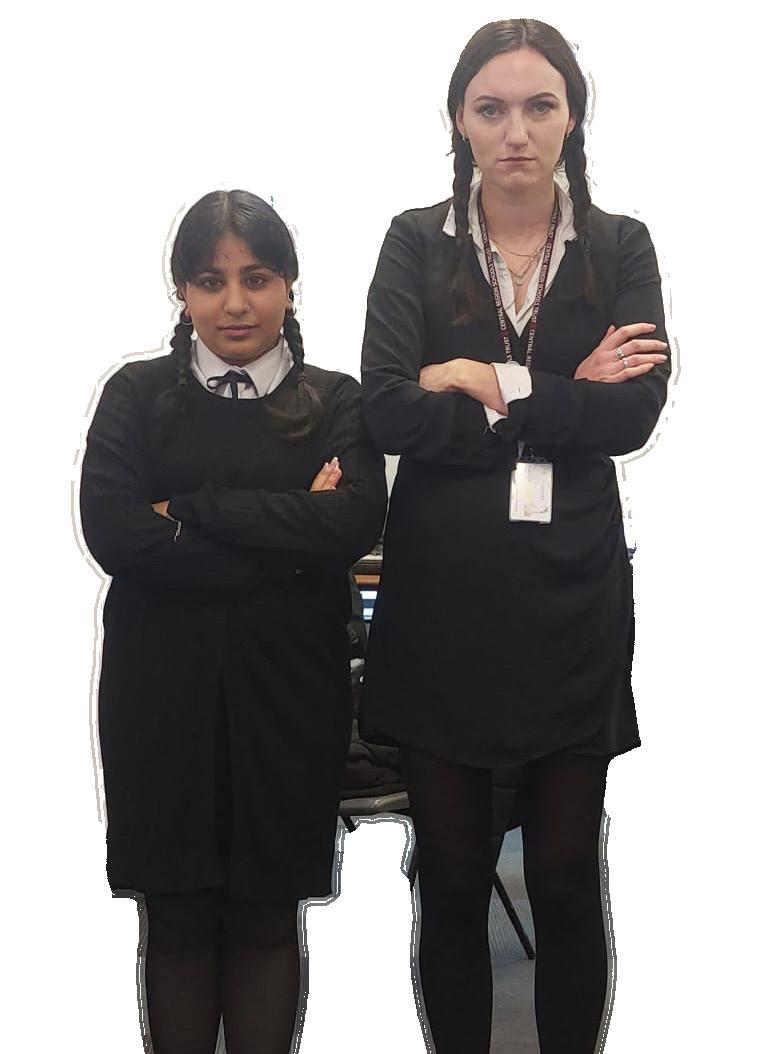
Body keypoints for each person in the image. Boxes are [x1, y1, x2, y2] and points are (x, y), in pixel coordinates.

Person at [359, 19, 670, 1054]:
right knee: (450, 877)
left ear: (573, 115)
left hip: (570, 598)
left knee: (569, 876)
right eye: (491, 109)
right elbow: (388, 410)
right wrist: (556, 394)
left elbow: (632, 414)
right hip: (441, 600)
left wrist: (481, 381)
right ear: (459, 119)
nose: (516, 132)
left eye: (540, 106)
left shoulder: (619, 247)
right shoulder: (416, 242)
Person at [79, 189, 387, 1054]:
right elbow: (114, 532)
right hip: (160, 694)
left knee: (266, 915)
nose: (236, 303)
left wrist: (191, 510)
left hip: (289, 691)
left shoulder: (336, 400)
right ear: (182, 291)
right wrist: (286, 539)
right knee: (175, 917)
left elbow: (351, 523)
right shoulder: (137, 395)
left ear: (289, 284)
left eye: (257, 277)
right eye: (211, 281)